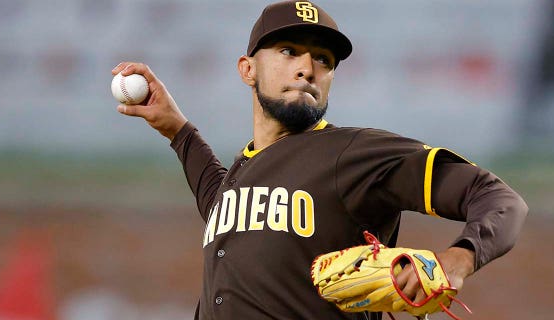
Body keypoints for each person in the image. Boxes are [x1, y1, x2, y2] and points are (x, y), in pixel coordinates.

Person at [112, 1, 528, 319]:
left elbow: (500, 199)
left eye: (323, 60)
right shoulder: (244, 172)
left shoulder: (352, 155)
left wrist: (457, 259)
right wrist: (177, 129)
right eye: (289, 51)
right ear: (247, 69)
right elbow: (221, 202)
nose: (307, 68)